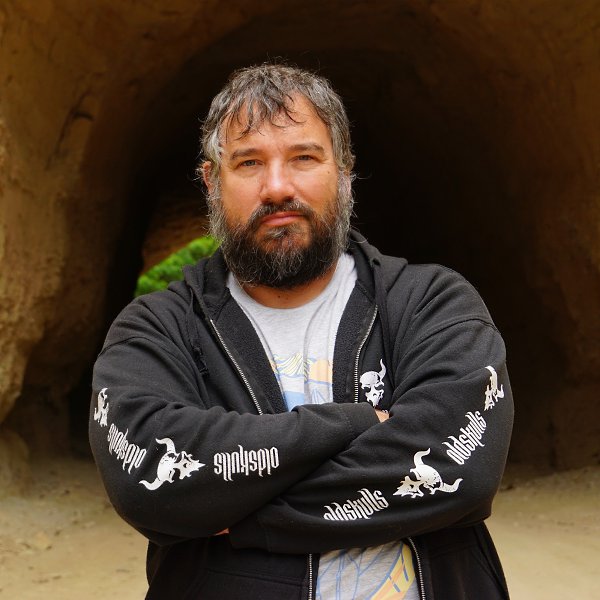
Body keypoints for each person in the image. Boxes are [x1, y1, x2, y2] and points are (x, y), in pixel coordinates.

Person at [89, 63, 514, 600]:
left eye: (304, 158)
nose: (277, 187)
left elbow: (462, 469)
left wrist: (238, 513)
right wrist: (362, 423)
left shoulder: (432, 303)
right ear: (212, 183)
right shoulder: (156, 329)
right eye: (249, 162)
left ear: (345, 172)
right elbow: (147, 482)